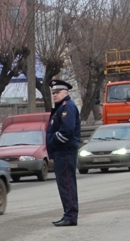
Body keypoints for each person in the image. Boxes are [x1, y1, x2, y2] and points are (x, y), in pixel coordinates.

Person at [46, 79, 82, 227]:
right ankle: (68, 214)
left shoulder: (68, 107)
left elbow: (67, 131)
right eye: (53, 92)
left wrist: (53, 141)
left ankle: (71, 215)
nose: (55, 95)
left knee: (67, 184)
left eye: (58, 92)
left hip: (65, 151)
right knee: (64, 184)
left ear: (66, 93)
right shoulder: (61, 108)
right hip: (61, 152)